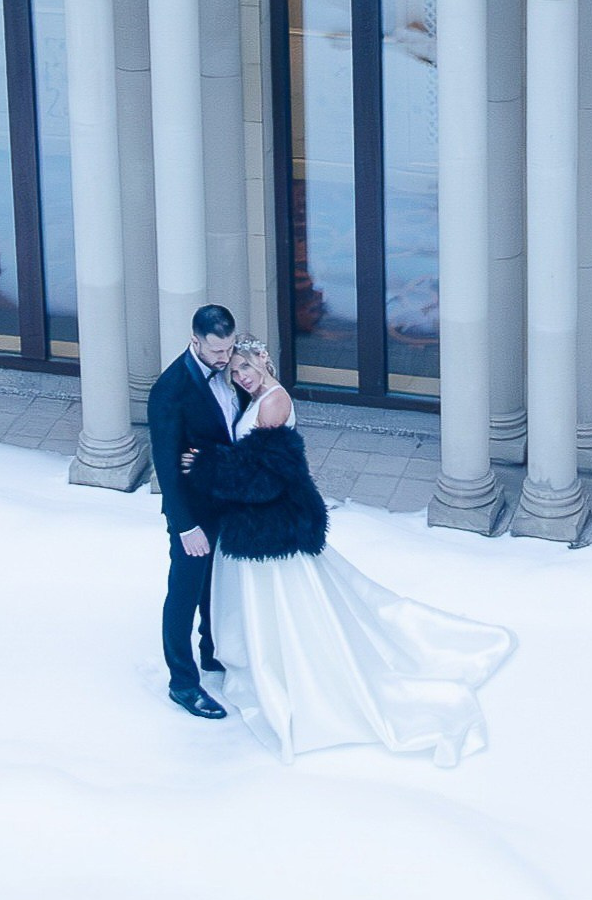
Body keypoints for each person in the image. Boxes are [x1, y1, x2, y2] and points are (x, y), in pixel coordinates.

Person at [182, 337, 515, 766]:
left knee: (285, 601)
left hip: (269, 523)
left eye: (246, 366)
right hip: (256, 524)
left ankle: (291, 673)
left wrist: (207, 465)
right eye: (235, 372)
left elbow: (262, 478)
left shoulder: (272, 403)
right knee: (280, 600)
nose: (242, 376)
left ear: (264, 360)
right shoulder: (261, 397)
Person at [146, 304, 240, 719]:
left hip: (227, 500)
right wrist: (185, 527)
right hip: (193, 511)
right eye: (217, 352)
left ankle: (211, 651)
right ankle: (182, 682)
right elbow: (167, 467)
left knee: (215, 583)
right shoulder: (170, 390)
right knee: (184, 592)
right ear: (194, 341)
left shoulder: (234, 369)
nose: (225, 359)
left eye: (229, 349)